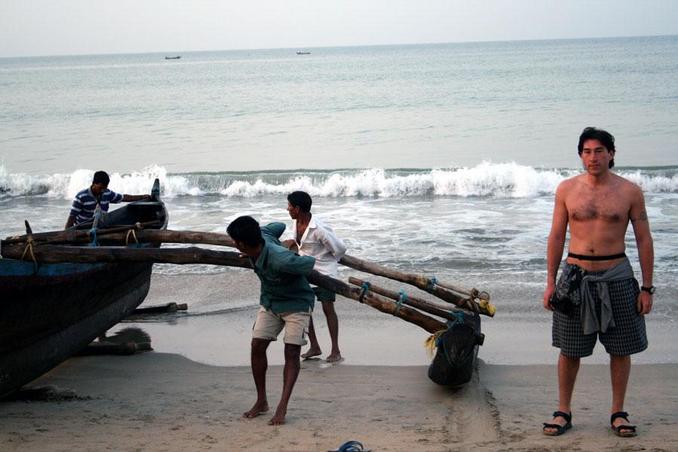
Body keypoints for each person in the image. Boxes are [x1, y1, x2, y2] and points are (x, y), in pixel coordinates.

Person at [542, 127, 654, 437]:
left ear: (611, 154)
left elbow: (644, 239)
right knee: (570, 349)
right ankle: (563, 411)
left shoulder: (629, 191)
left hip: (617, 276)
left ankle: (618, 412)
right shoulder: (567, 189)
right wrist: (551, 282)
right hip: (575, 277)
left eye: (600, 151)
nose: (593, 157)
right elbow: (555, 236)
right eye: (588, 151)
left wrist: (647, 287)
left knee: (620, 348)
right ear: (581, 155)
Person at [227, 215, 316, 426]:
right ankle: (262, 401)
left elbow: (308, 264)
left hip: (297, 303)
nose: (232, 244)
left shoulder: (280, 258)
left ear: (243, 244)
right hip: (270, 302)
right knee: (257, 345)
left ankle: (282, 406)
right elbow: (279, 225)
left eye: (235, 241)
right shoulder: (264, 234)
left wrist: (290, 250)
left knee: (291, 351)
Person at [284, 191, 347, 363]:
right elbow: (296, 241)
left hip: (324, 274)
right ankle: (315, 346)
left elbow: (340, 249)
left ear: (297, 208)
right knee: (306, 310)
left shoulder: (319, 228)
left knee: (328, 310)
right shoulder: (296, 223)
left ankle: (335, 350)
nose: (287, 209)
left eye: (289, 206)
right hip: (305, 272)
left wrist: (326, 261)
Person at [65, 170, 150, 228]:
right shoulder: (81, 197)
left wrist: (142, 197)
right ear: (94, 183)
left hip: (101, 227)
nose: (102, 191)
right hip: (83, 229)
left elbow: (124, 198)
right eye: (100, 188)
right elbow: (72, 218)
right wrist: (65, 235)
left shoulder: (106, 193)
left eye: (105, 188)